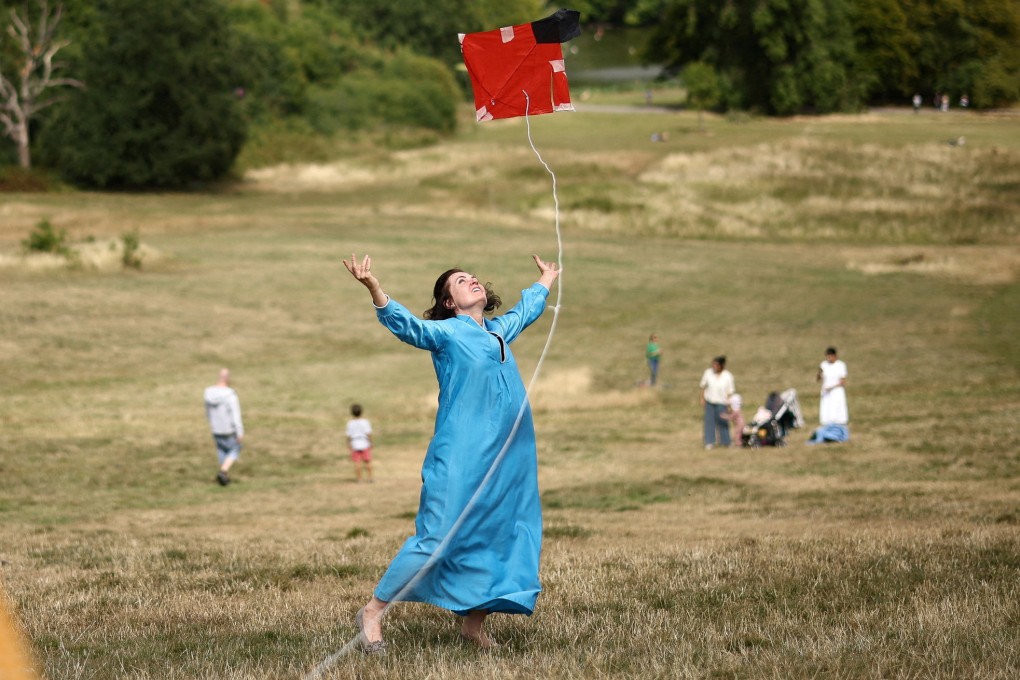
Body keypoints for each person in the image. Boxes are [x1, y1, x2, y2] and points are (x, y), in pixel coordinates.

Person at [342, 251, 559, 654]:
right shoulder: (446, 335)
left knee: (501, 535)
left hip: (509, 457)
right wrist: (374, 287)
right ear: (449, 303)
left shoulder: (498, 332)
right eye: (460, 281)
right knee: (438, 536)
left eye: (473, 277)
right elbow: (407, 326)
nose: (472, 281)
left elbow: (526, 310)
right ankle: (372, 611)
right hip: (461, 454)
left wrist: (546, 280)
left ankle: (473, 625)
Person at [204, 368, 244, 486]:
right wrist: (240, 431)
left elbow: (207, 411)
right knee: (236, 448)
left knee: (221, 450)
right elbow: (235, 413)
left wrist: (211, 423)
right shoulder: (230, 394)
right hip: (228, 429)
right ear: (227, 378)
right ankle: (223, 471)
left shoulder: (208, 393)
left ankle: (223, 477)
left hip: (216, 428)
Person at [699, 356, 735, 449]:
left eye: (716, 365)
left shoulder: (728, 376)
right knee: (709, 421)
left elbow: (730, 391)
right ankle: (709, 441)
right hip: (710, 401)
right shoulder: (708, 373)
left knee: (723, 422)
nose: (714, 366)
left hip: (722, 402)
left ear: (721, 365)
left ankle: (726, 441)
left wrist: (729, 404)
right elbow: (703, 386)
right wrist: (702, 398)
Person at [346, 404, 373, 483]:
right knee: (367, 461)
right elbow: (368, 433)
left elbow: (348, 435)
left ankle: (359, 478)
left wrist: (348, 443)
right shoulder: (365, 422)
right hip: (364, 443)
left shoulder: (350, 423)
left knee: (357, 462)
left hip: (355, 443)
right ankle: (370, 477)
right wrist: (371, 442)